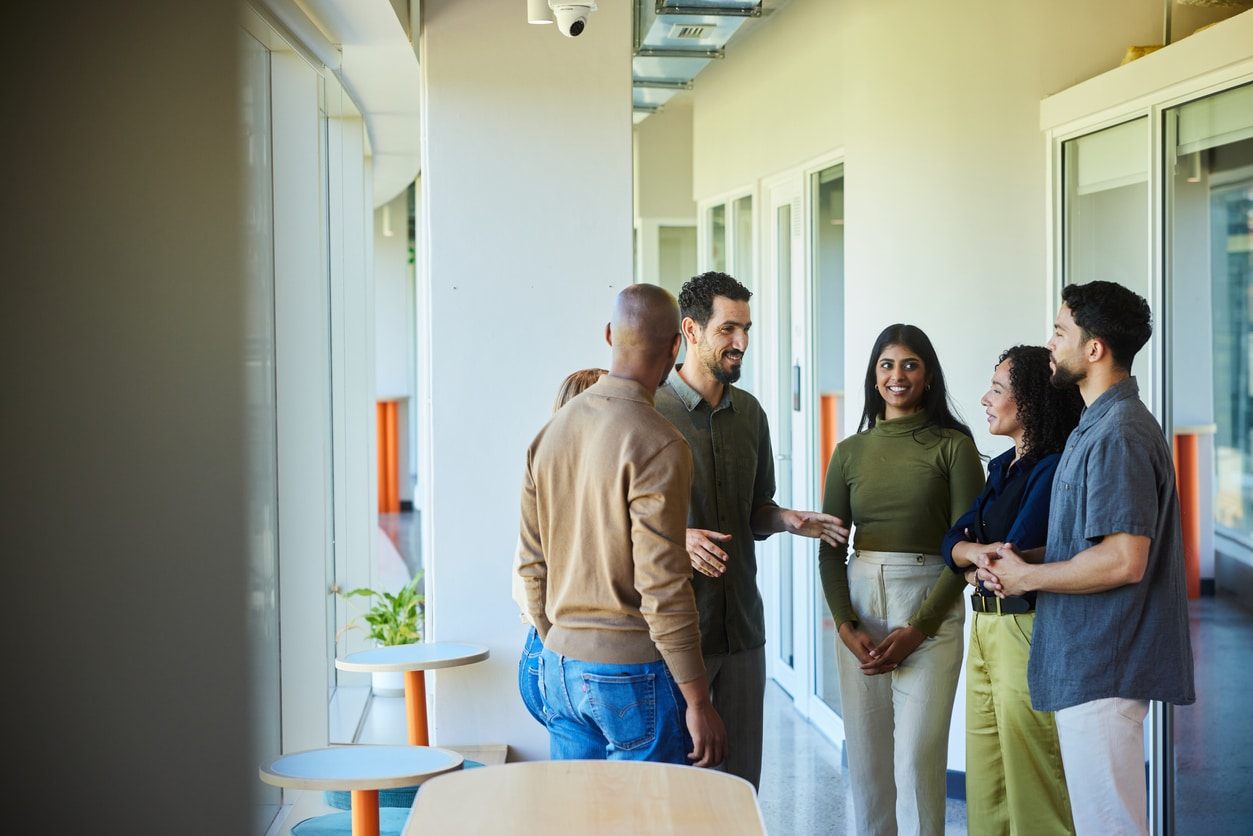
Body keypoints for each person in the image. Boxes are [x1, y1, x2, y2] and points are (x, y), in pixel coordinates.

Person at [975, 281, 1196, 836]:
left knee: (1109, 827)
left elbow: (1124, 560)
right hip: (1089, 661)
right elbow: (1090, 545)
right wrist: (1022, 556)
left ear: (1093, 348)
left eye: (1059, 332)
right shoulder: (1095, 425)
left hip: (1104, 665)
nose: (1050, 344)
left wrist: (1028, 575)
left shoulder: (1118, 432)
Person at [515, 284, 727, 766]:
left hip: (558, 667)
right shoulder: (660, 442)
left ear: (610, 334)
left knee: (578, 817)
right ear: (677, 346)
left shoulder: (550, 433)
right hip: (629, 673)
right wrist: (698, 701)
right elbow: (662, 583)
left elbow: (532, 564)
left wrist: (559, 642)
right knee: (642, 817)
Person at [653, 271, 848, 791]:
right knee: (678, 793)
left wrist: (785, 519)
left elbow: (755, 508)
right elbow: (617, 524)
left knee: (740, 788)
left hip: (743, 632)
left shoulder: (752, 414)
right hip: (675, 636)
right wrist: (679, 538)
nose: (741, 343)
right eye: (728, 330)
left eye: (746, 329)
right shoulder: (649, 411)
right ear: (691, 332)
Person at [818, 323, 985, 836]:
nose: (898, 375)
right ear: (873, 376)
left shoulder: (953, 447)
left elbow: (966, 552)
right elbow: (830, 550)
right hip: (861, 600)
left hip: (931, 601)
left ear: (928, 376)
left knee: (915, 761)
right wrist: (846, 626)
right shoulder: (848, 452)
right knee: (867, 765)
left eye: (910, 364)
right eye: (887, 364)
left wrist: (919, 628)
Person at [941, 345, 1083, 836]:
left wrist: (974, 558)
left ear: (1031, 403)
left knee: (1030, 775)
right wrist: (971, 559)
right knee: (987, 778)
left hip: (1023, 627)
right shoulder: (1003, 466)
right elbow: (953, 539)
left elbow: (1007, 560)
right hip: (984, 625)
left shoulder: (1051, 468)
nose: (985, 398)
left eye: (998, 390)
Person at [513, 367, 607, 727]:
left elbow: (528, 572)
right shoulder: (594, 484)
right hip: (559, 650)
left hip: (540, 650)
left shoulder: (546, 470)